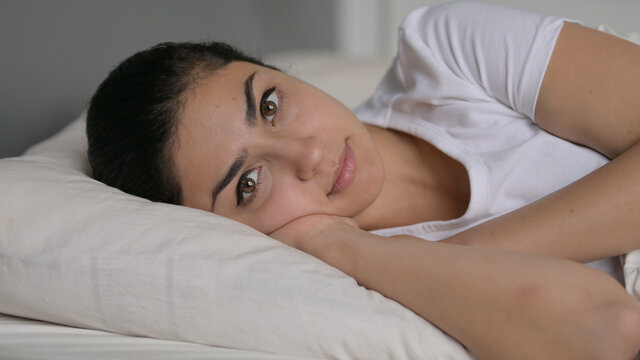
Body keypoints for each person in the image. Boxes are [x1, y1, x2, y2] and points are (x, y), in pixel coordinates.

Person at [86, 1, 640, 359]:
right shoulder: (356, 294)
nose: (307, 154)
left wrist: (465, 252)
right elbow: (611, 333)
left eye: (271, 103)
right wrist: (345, 250)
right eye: (248, 184)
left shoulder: (444, 52)